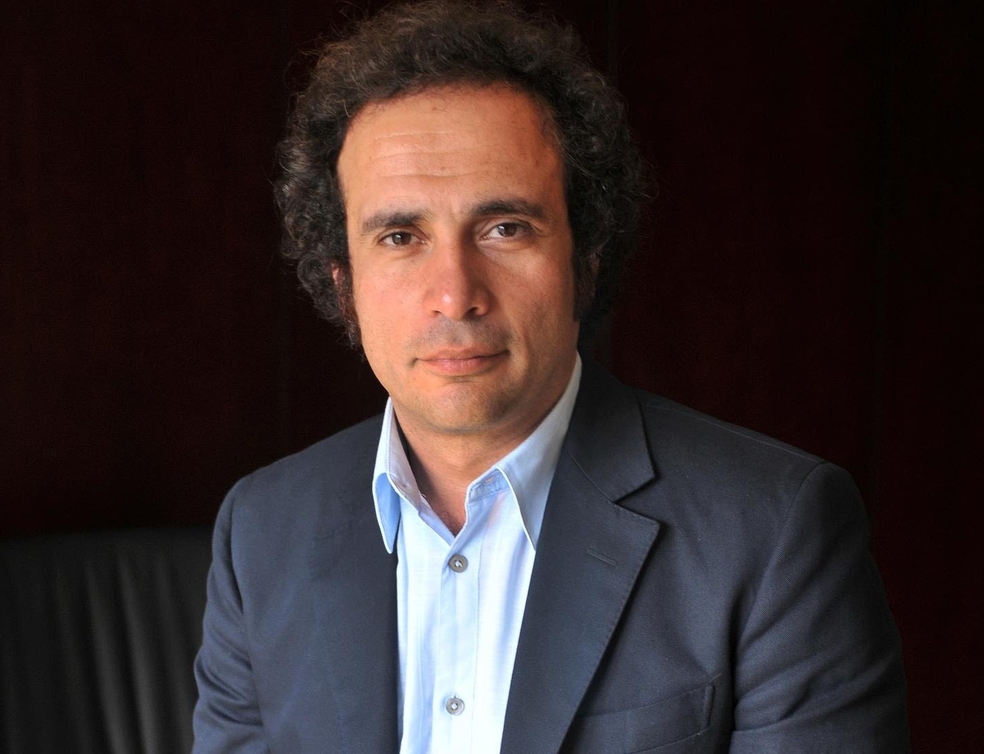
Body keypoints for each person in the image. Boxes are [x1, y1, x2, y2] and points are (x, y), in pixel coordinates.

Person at [192, 2, 910, 752]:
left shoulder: (772, 533)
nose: (455, 295)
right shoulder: (262, 531)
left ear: (585, 260)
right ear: (343, 284)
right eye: (400, 237)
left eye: (505, 229)